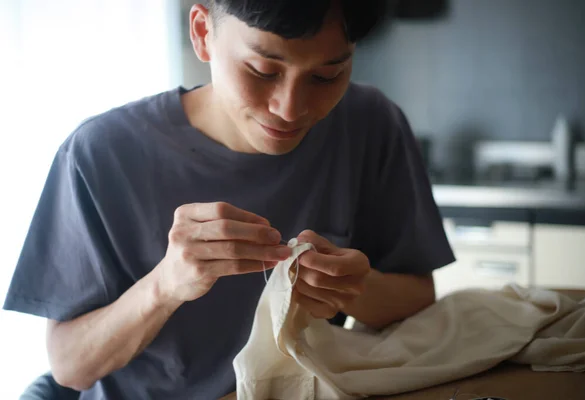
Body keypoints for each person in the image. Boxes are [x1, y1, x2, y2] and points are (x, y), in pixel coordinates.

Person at [3, 0, 455, 398]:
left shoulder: (371, 125)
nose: (290, 108)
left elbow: (417, 302)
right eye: (263, 71)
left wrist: (354, 290)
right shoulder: (99, 153)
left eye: (326, 75)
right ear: (203, 33)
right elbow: (70, 367)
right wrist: (165, 285)